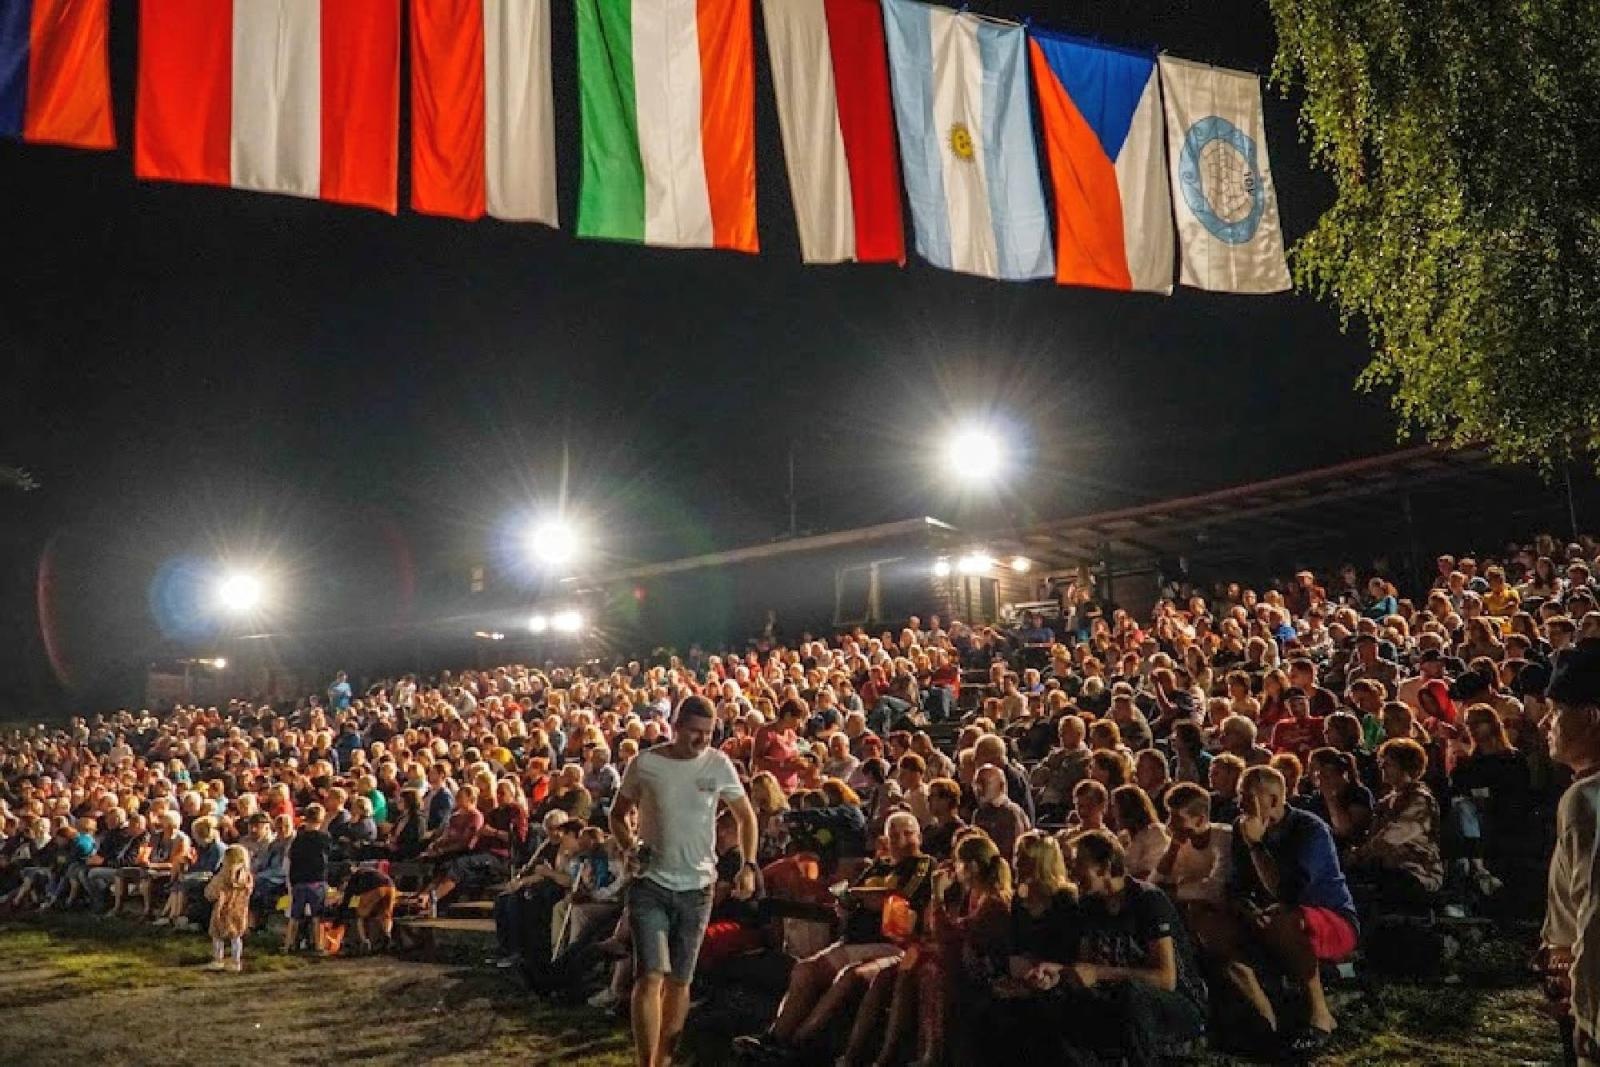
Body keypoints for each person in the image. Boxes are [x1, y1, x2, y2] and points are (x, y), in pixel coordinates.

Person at [609, 696, 759, 1067]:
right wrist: (630, 845)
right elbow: (617, 814)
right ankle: (648, 1063)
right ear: (675, 727)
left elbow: (746, 817)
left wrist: (749, 863)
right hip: (650, 882)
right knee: (650, 976)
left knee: (680, 979)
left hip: (698, 886)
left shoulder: (719, 763)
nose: (702, 740)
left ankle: (665, 1058)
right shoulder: (645, 763)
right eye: (694, 732)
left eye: (708, 733)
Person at [736, 812, 934, 1063]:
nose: (902, 840)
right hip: (854, 940)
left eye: (908, 833)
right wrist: (847, 903)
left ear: (919, 836)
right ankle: (774, 1036)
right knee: (806, 969)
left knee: (848, 976)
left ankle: (798, 1043)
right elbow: (849, 899)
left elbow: (894, 897)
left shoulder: (923, 865)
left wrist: (857, 895)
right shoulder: (878, 866)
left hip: (889, 945)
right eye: (895, 834)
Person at [1015, 830, 1207, 1065]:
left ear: (1104, 867)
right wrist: (1057, 973)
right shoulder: (1088, 906)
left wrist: (1098, 974)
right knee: (1051, 1001)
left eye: (1078, 864)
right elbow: (1087, 968)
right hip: (1120, 1003)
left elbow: (1166, 979)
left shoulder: (1147, 900)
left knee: (1131, 993)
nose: (1072, 872)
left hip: (1174, 1006)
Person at [1212, 765, 1358, 1055]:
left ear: (1275, 800)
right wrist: (1247, 908)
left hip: (1327, 918)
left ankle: (1320, 1015)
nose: (1241, 803)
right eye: (1240, 795)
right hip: (1269, 915)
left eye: (1249, 796)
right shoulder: (1242, 828)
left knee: (1283, 919)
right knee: (1210, 921)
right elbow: (1236, 885)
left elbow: (1289, 892)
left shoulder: (1310, 829)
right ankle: (1261, 1013)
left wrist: (1256, 847)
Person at [1539, 639, 1600, 1065]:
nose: (1547, 722)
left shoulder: (1588, 800)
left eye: (1558, 711)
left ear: (1592, 716)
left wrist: (1590, 1018)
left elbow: (1596, 919)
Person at [285, 803, 333, 955]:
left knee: (295, 915)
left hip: (299, 880)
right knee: (317, 915)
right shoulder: (324, 838)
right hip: (317, 880)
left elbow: (291, 857)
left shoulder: (298, 839)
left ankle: (289, 944)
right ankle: (319, 945)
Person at [204, 843, 253, 972]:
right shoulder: (246, 876)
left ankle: (218, 960)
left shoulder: (223, 875)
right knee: (236, 936)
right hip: (239, 909)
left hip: (222, 908)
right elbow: (249, 891)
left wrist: (209, 893)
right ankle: (236, 961)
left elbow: (214, 890)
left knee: (217, 935)